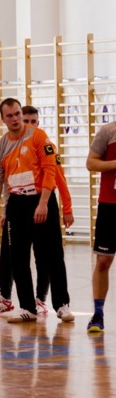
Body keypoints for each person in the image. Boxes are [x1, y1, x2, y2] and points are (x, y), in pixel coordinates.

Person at [0, 98, 74, 323]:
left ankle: (61, 305)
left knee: (53, 255)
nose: (16, 119)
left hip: (41, 199)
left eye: (18, 113)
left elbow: (51, 170)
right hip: (17, 203)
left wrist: (46, 203)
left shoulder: (39, 137)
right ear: (3, 119)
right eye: (10, 115)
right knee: (18, 257)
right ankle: (27, 307)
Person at [85, 119, 116, 332]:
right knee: (103, 260)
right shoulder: (108, 131)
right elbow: (91, 163)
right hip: (110, 205)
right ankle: (98, 314)